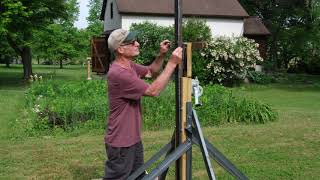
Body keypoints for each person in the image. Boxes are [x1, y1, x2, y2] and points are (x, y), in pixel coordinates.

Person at [103, 29, 182, 180]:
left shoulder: (129, 66)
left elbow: (151, 72)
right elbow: (153, 91)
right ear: (120, 49)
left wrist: (162, 55)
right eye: (132, 42)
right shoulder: (119, 73)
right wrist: (172, 63)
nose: (137, 44)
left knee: (138, 176)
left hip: (132, 138)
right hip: (121, 142)